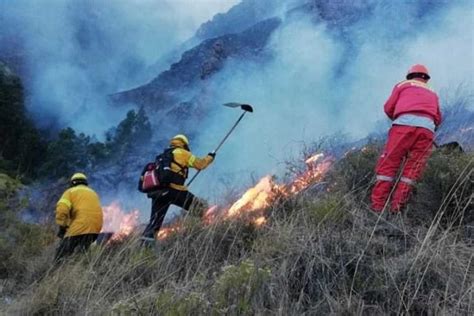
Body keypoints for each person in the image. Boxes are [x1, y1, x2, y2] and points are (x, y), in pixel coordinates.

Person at [371, 64, 442, 214]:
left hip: (403, 127)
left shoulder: (402, 85)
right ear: (426, 78)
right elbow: (437, 117)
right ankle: (397, 208)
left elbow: (388, 107)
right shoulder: (433, 92)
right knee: (413, 169)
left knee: (388, 165)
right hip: (426, 130)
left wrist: (399, 117)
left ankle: (377, 208)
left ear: (410, 75)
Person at [141, 134, 215, 242]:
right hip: (175, 191)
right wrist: (211, 156)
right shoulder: (182, 153)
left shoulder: (162, 156)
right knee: (200, 208)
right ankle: (205, 233)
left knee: (154, 223)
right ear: (184, 144)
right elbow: (200, 164)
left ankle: (145, 248)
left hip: (158, 193)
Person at [55, 173, 103, 261]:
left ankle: (55, 271)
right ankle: (83, 269)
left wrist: (62, 226)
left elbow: (62, 210)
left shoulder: (70, 192)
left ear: (72, 183)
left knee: (61, 254)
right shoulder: (93, 193)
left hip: (80, 226)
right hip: (95, 228)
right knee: (82, 254)